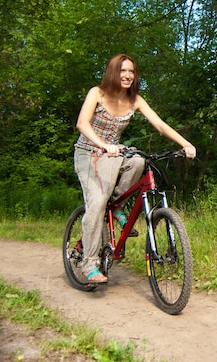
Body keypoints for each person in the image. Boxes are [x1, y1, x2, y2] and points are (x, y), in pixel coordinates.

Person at [74, 54, 196, 284]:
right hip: (88, 153)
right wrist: (102, 145)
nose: (128, 75)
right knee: (98, 203)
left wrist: (185, 144)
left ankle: (118, 205)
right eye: (123, 71)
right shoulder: (96, 93)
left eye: (131, 71)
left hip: (113, 152)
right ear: (113, 72)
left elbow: (159, 124)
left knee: (139, 161)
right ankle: (88, 264)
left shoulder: (135, 100)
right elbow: (82, 124)